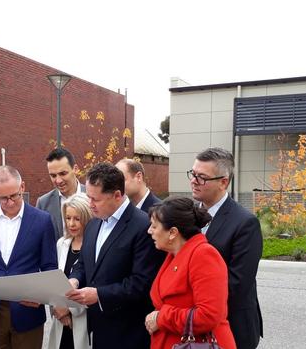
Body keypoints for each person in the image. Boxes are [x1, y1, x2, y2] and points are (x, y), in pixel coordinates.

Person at [66, 162, 164, 349]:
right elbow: (84, 263)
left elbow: (142, 283)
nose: (90, 205)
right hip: (98, 328)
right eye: (88, 197)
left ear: (117, 195)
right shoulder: (94, 224)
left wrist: (99, 295)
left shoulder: (144, 226)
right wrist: (75, 280)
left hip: (129, 332)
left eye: (96, 199)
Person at [0, 165, 58, 349]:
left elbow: (49, 267)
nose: (10, 202)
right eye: (3, 198)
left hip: (27, 312)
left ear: (22, 187)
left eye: (14, 195)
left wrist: (41, 295)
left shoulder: (42, 220)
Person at [189, 148, 263, 349]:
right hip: (194, 324)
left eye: (202, 177)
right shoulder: (190, 214)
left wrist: (187, 302)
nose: (194, 181)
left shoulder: (245, 223)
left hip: (232, 327)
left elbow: (238, 283)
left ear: (224, 182)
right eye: (193, 174)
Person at [145, 196, 236, 349]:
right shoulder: (174, 255)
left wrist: (162, 318)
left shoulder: (203, 255)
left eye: (154, 226)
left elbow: (209, 316)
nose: (149, 231)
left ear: (173, 232)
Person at [47, 194, 92, 349]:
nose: (71, 224)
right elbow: (55, 281)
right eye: (68, 218)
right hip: (61, 319)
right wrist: (58, 308)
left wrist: (69, 309)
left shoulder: (95, 245)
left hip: (84, 321)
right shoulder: (62, 244)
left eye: (77, 219)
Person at [37, 147, 86, 240]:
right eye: (53, 175)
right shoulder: (43, 204)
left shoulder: (92, 197)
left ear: (75, 169)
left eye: (63, 173)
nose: (58, 180)